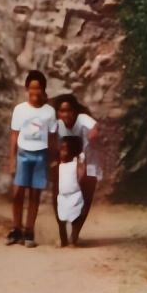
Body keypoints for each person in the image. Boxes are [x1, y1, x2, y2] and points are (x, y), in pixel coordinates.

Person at [6, 69, 58, 248]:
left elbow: (52, 137)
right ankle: (16, 229)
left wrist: (53, 160)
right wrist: (12, 159)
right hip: (23, 153)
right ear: (27, 89)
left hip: (41, 154)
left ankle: (29, 230)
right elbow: (14, 135)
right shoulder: (20, 110)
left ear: (43, 90)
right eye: (32, 88)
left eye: (39, 88)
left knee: (35, 193)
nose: (35, 92)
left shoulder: (49, 112)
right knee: (18, 192)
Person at [53, 92, 100, 243]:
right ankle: (62, 232)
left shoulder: (82, 119)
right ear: (58, 112)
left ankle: (75, 233)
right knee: (59, 194)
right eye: (62, 111)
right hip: (67, 164)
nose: (66, 114)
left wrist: (94, 132)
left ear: (75, 111)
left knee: (85, 199)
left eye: (69, 111)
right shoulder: (57, 124)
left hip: (89, 159)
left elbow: (95, 127)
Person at [52, 135, 86, 247]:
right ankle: (63, 240)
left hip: (75, 195)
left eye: (65, 149)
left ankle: (73, 239)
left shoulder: (76, 164)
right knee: (61, 220)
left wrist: (81, 169)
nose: (62, 152)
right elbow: (55, 180)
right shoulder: (58, 165)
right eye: (60, 149)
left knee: (75, 219)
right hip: (62, 197)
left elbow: (81, 174)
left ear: (72, 151)